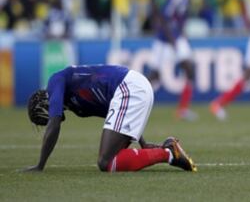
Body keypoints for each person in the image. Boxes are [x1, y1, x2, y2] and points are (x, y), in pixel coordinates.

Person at [24, 65, 197, 172]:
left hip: (129, 87)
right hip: (131, 90)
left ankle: (168, 153)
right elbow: (114, 115)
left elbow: (54, 125)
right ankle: (167, 150)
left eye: (43, 115)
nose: (46, 119)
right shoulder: (77, 108)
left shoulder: (55, 81)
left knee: (105, 162)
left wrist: (40, 165)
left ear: (45, 100)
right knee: (113, 158)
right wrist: (142, 142)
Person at [148, 0, 197, 121]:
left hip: (176, 37)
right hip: (166, 40)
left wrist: (182, 34)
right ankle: (132, 102)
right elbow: (164, 16)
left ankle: (182, 109)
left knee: (189, 68)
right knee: (155, 76)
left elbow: (178, 19)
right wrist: (172, 39)